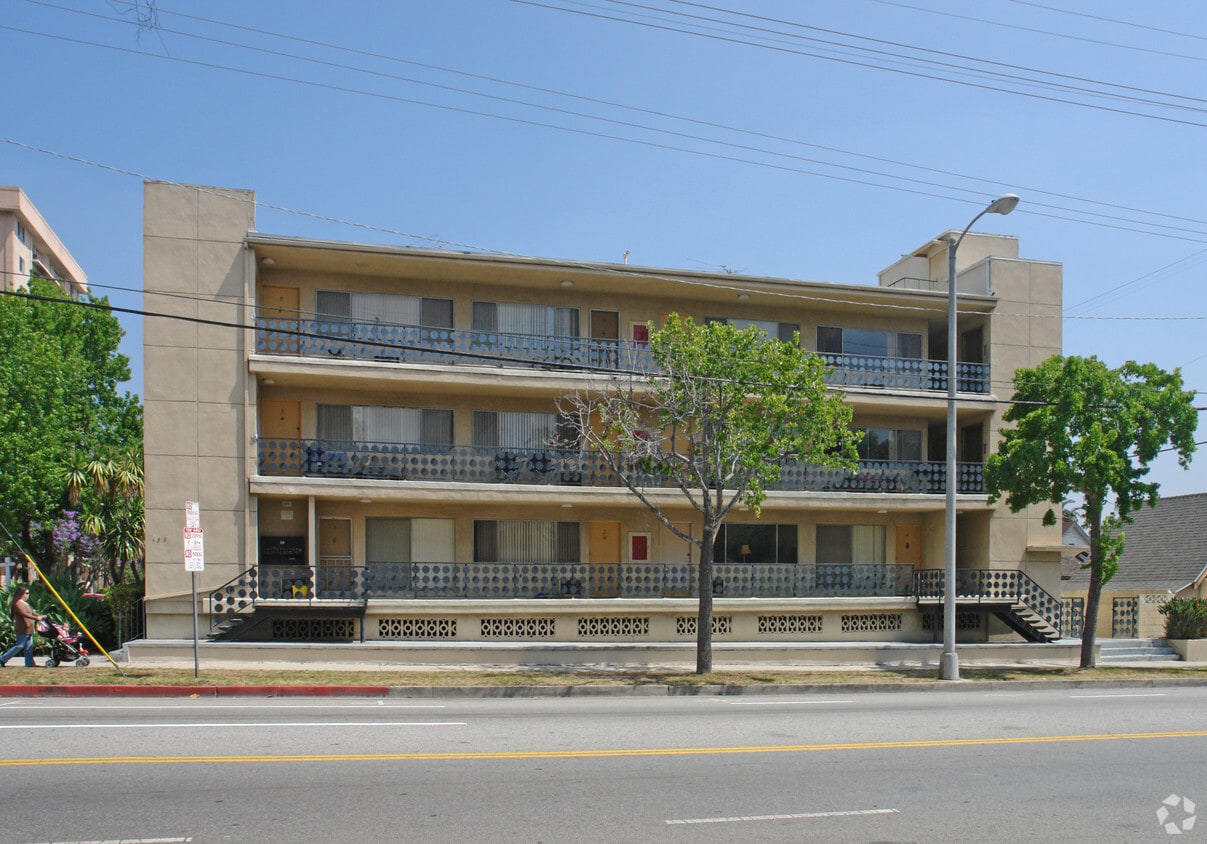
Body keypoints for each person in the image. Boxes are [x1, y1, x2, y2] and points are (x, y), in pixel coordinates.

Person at [0, 586, 43, 667]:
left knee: (28, 647)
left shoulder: (25, 603)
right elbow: (24, 614)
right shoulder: (17, 603)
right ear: (21, 594)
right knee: (20, 645)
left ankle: (29, 663)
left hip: (29, 629)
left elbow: (31, 612)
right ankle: (2, 659)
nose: (28, 595)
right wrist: (36, 618)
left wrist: (40, 616)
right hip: (22, 629)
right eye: (26, 593)